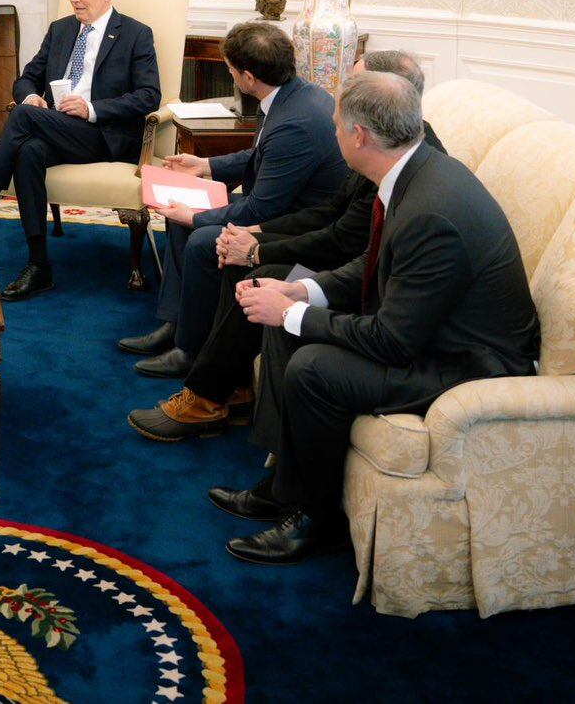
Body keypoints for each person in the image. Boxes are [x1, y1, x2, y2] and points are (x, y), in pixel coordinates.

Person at [219, 70, 539, 565]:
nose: (333, 135)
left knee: (313, 368)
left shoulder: (430, 211)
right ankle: (286, 487)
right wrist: (300, 291)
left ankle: (320, 522)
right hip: (428, 331)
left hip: (469, 363)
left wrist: (295, 313)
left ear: (359, 136)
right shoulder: (415, 171)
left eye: (335, 127)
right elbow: (370, 265)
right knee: (285, 329)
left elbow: (393, 341)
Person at [128, 51, 445, 442]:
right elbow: (330, 214)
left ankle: (205, 397)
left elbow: (342, 242)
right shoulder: (392, 147)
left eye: (353, 85)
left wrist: (258, 250)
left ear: (382, 103)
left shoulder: (395, 164)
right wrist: (256, 235)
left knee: (254, 271)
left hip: (352, 275)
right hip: (340, 256)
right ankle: (231, 389)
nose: (338, 100)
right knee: (241, 261)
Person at [124, 21, 346, 378]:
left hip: (299, 227)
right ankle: (177, 323)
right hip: (282, 207)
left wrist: (196, 217)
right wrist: (206, 166)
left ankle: (192, 350)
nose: (229, 77)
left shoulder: (295, 123)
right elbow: (260, 156)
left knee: (199, 237)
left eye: (229, 70)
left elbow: (262, 208)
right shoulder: (292, 94)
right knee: (179, 218)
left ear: (247, 77)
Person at [0, 0, 161, 301]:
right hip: (57, 127)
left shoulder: (135, 34)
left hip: (103, 135)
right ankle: (39, 265)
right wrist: (30, 96)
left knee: (23, 120)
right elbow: (27, 78)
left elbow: (149, 95)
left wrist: (92, 109)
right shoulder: (61, 30)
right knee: (28, 150)